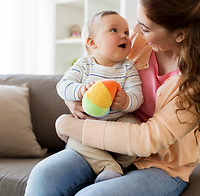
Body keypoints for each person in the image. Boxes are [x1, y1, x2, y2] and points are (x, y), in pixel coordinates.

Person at [25, 0, 200, 196]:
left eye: (146, 27)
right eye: (139, 22)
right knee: (44, 177)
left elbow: (147, 140)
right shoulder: (138, 43)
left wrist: (68, 125)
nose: (136, 31)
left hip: (160, 165)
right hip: (106, 148)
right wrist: (73, 98)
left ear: (180, 34)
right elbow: (95, 68)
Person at [55, 11, 143, 183]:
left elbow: (137, 97)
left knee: (135, 127)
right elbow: (62, 86)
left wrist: (126, 101)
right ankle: (110, 167)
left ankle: (119, 164)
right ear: (92, 42)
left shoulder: (127, 68)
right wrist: (80, 90)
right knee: (74, 139)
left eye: (126, 32)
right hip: (88, 125)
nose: (124, 36)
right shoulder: (83, 65)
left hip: (117, 124)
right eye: (114, 30)